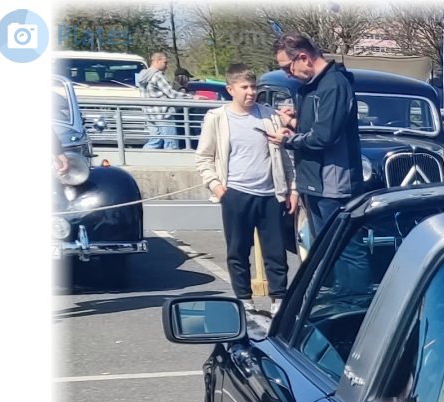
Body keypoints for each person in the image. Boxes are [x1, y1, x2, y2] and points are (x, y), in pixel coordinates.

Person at [195, 64, 294, 319]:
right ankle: (244, 300)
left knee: (276, 251)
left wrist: (291, 189)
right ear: (231, 90)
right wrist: (217, 187)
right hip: (236, 194)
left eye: (253, 87)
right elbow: (203, 157)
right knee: (238, 250)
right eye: (245, 87)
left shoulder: (269, 115)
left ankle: (279, 299)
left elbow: (285, 157)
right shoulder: (217, 118)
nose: (251, 92)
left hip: (270, 194)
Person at [267, 33, 362, 238]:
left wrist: (287, 140)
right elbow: (314, 127)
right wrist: (293, 122)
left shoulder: (334, 84)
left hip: (333, 187)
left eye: (287, 68)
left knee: (343, 247)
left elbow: (323, 136)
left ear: (303, 58)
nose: (287, 75)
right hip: (313, 183)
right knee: (322, 245)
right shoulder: (310, 87)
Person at [135, 52, 187, 149]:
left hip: (150, 114)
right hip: (163, 114)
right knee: (171, 143)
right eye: (165, 62)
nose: (167, 66)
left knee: (154, 142)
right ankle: (171, 159)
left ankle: (142, 156)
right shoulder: (157, 76)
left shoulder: (143, 76)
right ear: (158, 60)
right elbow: (171, 94)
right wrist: (191, 97)